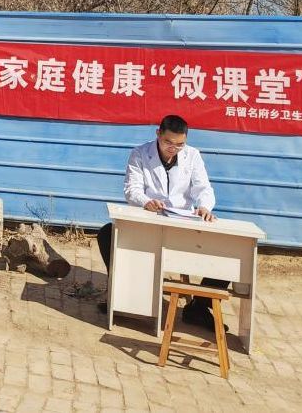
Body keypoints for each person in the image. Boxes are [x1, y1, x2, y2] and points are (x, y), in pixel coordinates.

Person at [96, 114, 228, 330]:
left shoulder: (192, 155)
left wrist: (205, 206)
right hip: (148, 222)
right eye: (168, 142)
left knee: (228, 250)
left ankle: (199, 307)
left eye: (179, 144)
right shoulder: (140, 154)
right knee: (107, 234)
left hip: (182, 224)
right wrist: (146, 202)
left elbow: (204, 188)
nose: (173, 149)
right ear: (158, 134)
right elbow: (132, 189)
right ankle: (122, 297)